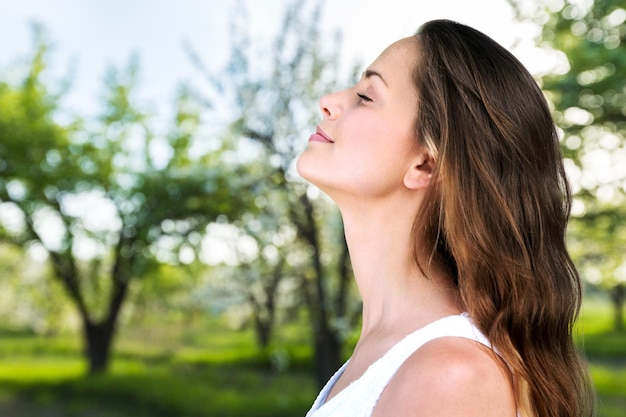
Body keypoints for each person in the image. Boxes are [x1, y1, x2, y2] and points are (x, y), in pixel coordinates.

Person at [296, 19, 595, 417]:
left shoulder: (450, 376)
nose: (329, 100)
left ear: (426, 165)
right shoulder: (398, 355)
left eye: (367, 96)